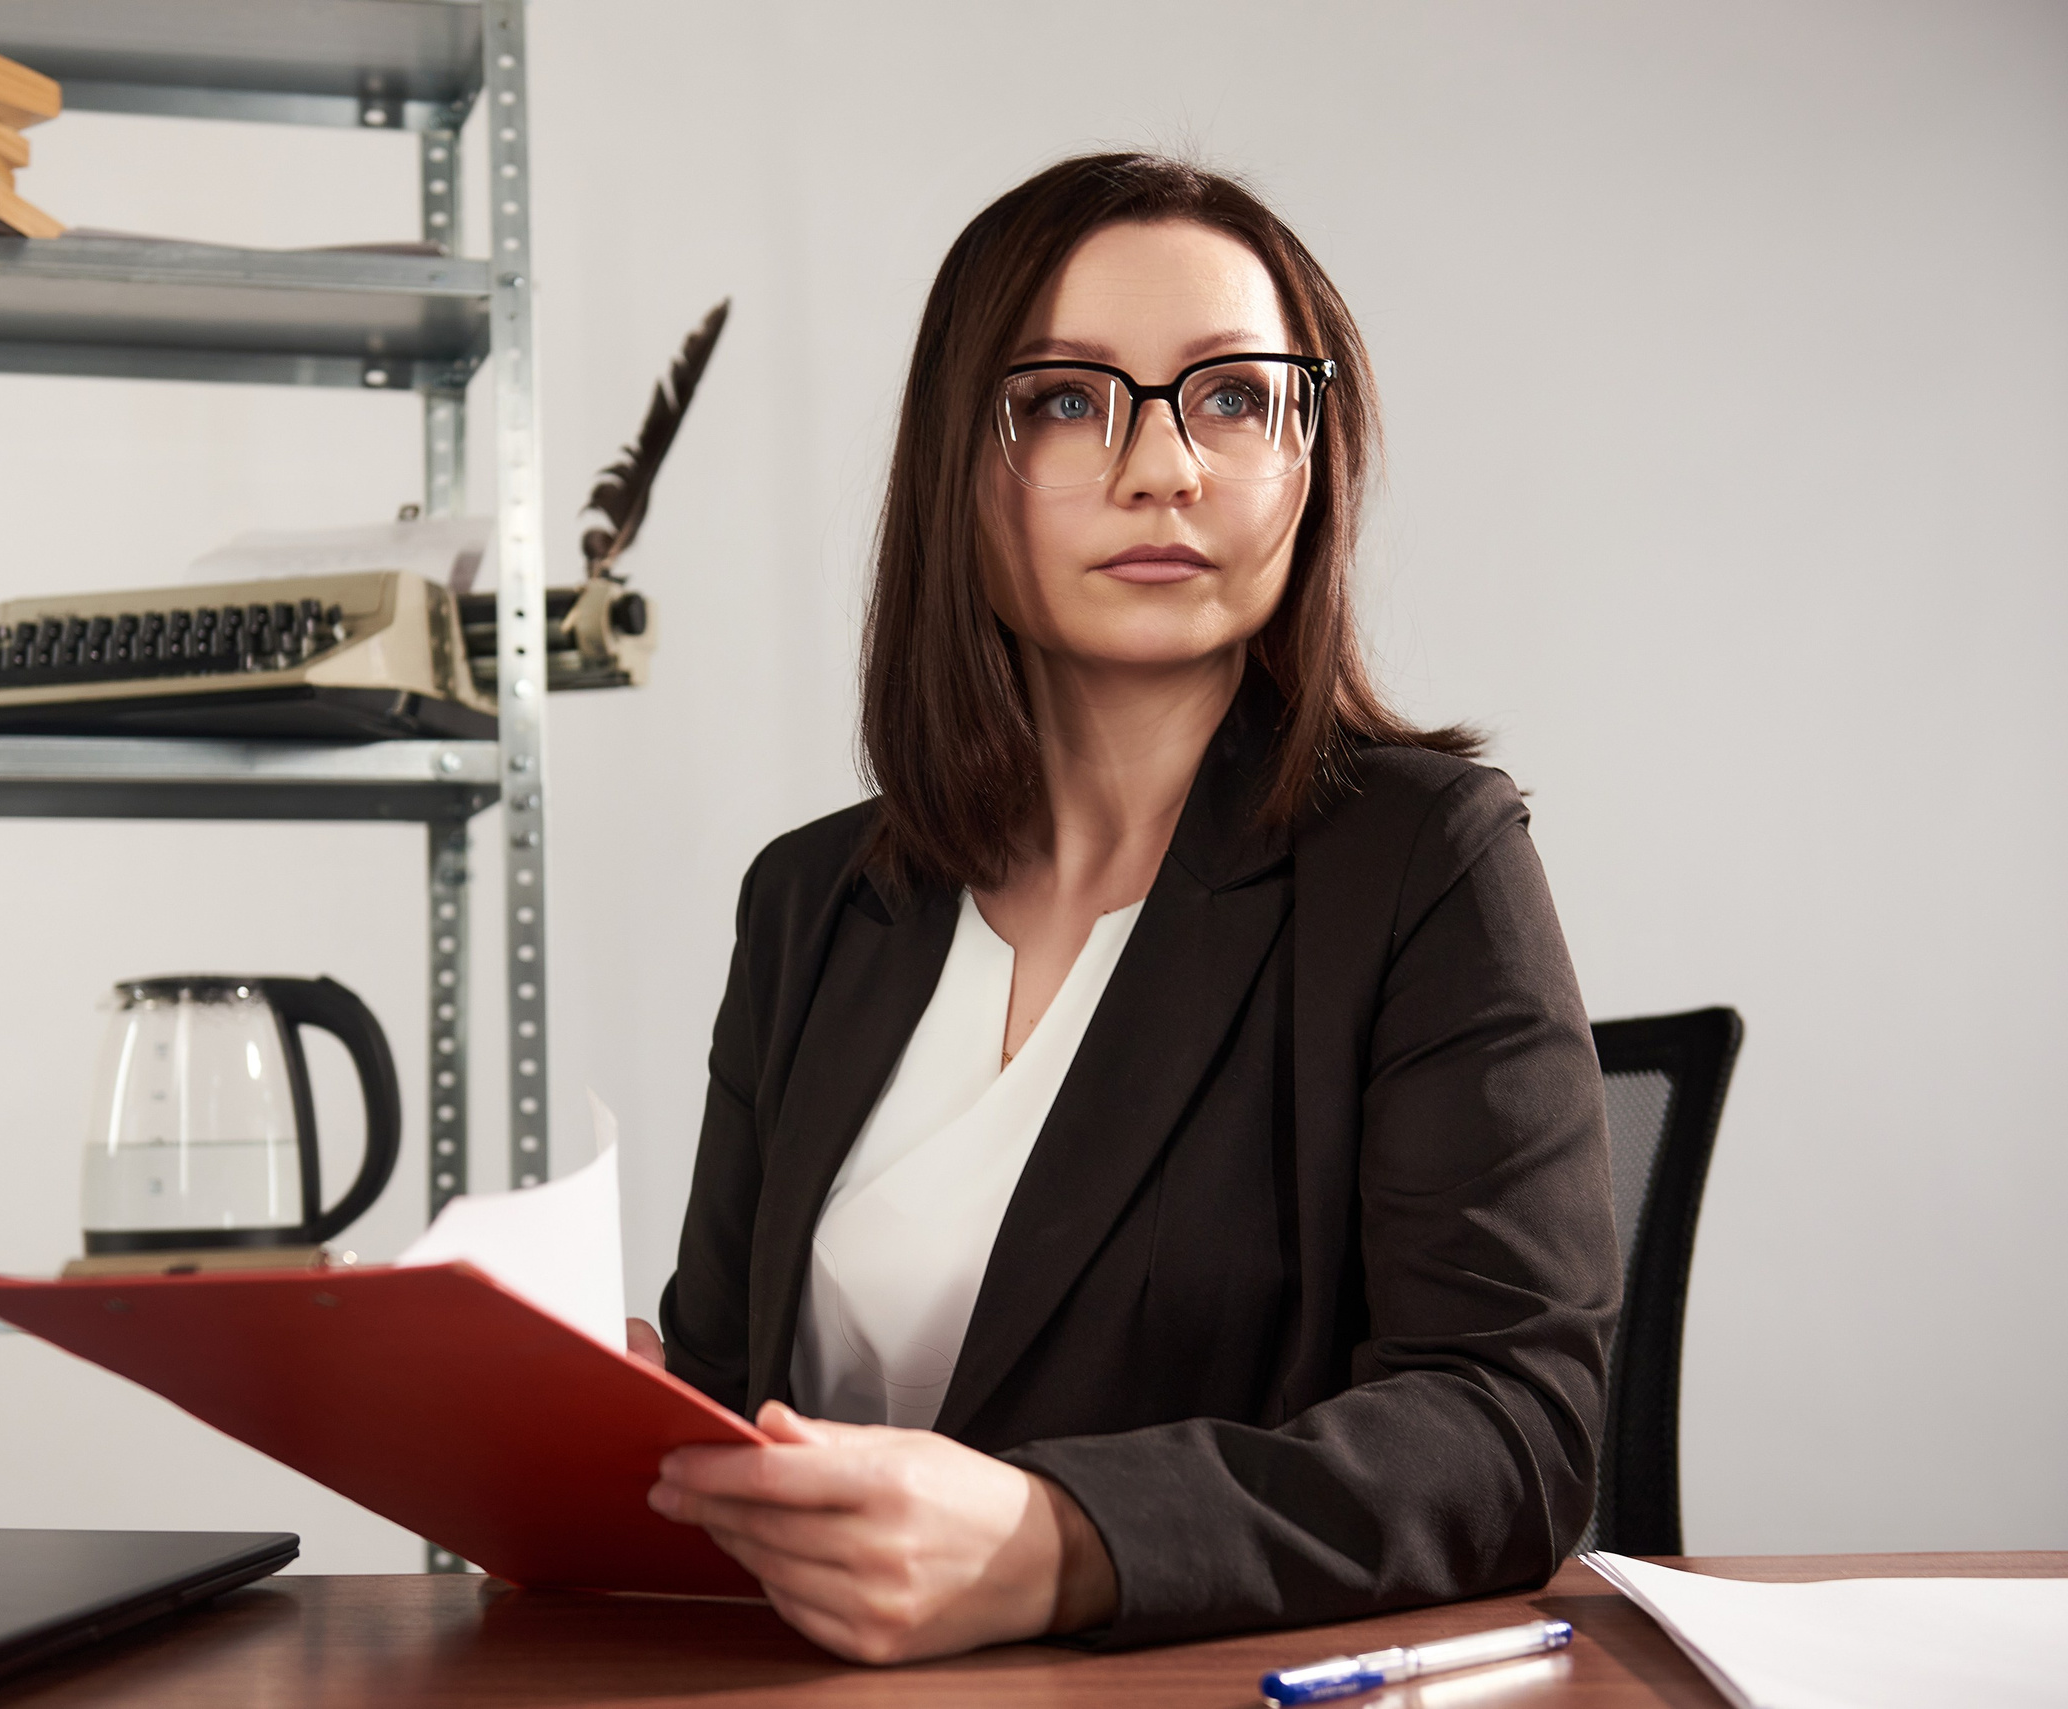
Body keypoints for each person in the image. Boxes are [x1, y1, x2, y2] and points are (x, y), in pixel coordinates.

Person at [625, 152, 1620, 1664]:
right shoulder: (814, 902)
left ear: (1312, 456)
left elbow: (1510, 1429)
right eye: (1066, 400)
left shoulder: (1426, 860)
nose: (1165, 467)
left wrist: (1061, 1541)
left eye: (1231, 397)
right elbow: (717, 1384)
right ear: (962, 458)